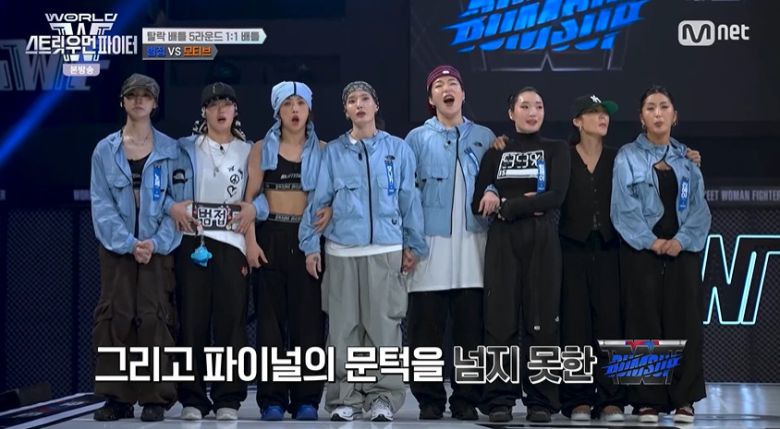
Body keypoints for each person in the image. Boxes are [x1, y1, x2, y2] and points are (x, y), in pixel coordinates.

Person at [299, 81, 428, 422]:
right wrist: (311, 245)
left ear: (376, 105)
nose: (359, 105)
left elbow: (409, 200)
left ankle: (382, 398)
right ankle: (345, 399)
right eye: (352, 101)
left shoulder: (398, 150)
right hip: (342, 252)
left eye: (365, 99)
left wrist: (413, 243)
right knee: (343, 331)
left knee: (384, 330)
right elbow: (319, 201)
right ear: (346, 111)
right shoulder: (332, 153)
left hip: (386, 249)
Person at [611, 85, 710, 424]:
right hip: (642, 251)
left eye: (664, 107)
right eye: (650, 108)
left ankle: (685, 400)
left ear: (674, 116)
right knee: (643, 321)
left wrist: (680, 241)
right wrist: (651, 241)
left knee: (685, 322)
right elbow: (623, 208)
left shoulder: (687, 159)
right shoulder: (627, 156)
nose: (657, 113)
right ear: (641, 118)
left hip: (682, 251)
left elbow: (700, 209)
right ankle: (646, 401)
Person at [472, 87, 570, 423]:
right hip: (502, 241)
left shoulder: (556, 149)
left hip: (543, 241)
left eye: (538, 106)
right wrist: (518, 201)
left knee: (543, 322)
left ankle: (541, 400)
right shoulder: (496, 151)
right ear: (511, 112)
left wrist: (507, 204)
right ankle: (499, 399)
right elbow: (477, 204)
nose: (532, 112)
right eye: (525, 106)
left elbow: (555, 196)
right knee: (499, 322)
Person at [404, 65, 495, 421]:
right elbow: (406, 195)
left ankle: (466, 398)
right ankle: (428, 399)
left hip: (474, 245)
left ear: (462, 93)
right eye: (439, 85)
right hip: (429, 246)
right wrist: (409, 242)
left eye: (453, 83)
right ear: (431, 99)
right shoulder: (416, 139)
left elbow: (497, 180)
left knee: (471, 331)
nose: (447, 89)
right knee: (425, 331)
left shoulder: (484, 137)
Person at [90, 73, 178, 422]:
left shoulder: (172, 150)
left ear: (155, 103)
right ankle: (117, 398)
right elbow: (101, 205)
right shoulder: (104, 151)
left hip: (158, 249)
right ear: (123, 101)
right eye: (132, 95)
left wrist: (155, 242)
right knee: (116, 317)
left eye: (145, 95)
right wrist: (129, 244)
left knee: (154, 318)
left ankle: (155, 397)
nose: (138, 100)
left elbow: (179, 204)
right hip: (117, 251)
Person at [167, 82, 257, 421]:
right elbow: (161, 186)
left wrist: (256, 209)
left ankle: (228, 398)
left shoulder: (249, 150)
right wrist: (172, 206)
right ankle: (192, 397)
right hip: (193, 240)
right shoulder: (183, 148)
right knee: (192, 321)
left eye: (227, 104)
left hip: (232, 243)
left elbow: (261, 194)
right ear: (203, 111)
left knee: (231, 323)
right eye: (214, 104)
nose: (221, 110)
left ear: (235, 110)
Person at [244, 81, 330, 421]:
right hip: (270, 237)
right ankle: (272, 399)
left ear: (309, 109)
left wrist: (331, 212)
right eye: (287, 104)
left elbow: (330, 197)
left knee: (309, 325)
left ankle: (307, 398)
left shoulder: (322, 149)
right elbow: (250, 201)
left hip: (308, 241)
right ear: (277, 110)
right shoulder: (261, 149)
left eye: (300, 104)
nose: (294, 110)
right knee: (270, 325)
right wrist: (251, 242)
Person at [558, 94, 625, 422]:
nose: (602, 118)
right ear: (577, 121)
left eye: (605, 113)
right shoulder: (563, 156)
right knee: (575, 325)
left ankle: (612, 398)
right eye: (594, 112)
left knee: (611, 323)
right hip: (572, 250)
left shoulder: (618, 157)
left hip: (610, 249)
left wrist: (688, 155)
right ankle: (578, 399)